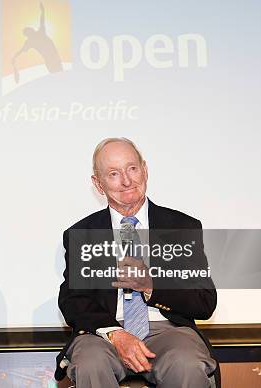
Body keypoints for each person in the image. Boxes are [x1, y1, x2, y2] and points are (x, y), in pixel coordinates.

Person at [55, 138, 220, 387]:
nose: (126, 181)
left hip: (169, 332)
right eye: (113, 173)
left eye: (132, 168)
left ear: (145, 170)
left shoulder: (181, 227)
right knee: (90, 361)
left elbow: (204, 301)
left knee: (186, 362)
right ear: (98, 184)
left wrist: (151, 285)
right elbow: (73, 301)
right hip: (105, 335)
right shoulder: (83, 233)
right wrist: (115, 333)